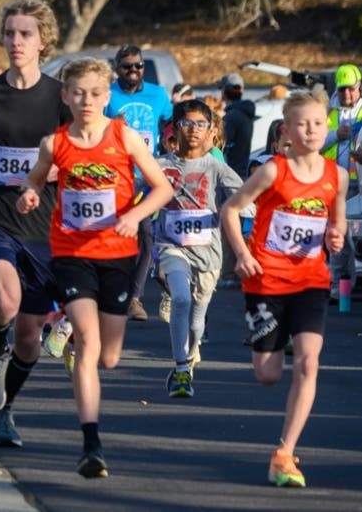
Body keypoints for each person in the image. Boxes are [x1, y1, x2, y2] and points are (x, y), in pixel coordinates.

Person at [17, 56, 172, 479]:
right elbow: (35, 179)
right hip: (71, 252)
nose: (87, 100)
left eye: (96, 93)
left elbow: (162, 187)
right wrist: (30, 194)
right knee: (89, 343)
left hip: (117, 254)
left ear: (108, 97)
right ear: (65, 96)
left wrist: (136, 216)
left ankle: (64, 335)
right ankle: (91, 445)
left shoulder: (124, 136)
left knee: (110, 358)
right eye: (79, 93)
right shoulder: (55, 142)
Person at [0, 0, 70, 448]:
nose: (15, 42)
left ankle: (4, 411)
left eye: (25, 34)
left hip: (43, 223)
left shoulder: (60, 95)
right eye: (9, 33)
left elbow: (75, 154)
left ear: (44, 42)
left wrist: (41, 178)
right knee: (5, 299)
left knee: (31, 338)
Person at [218, 88, 346, 489]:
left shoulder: (336, 176)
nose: (311, 131)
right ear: (287, 130)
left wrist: (336, 235)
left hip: (310, 280)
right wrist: (240, 254)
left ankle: (285, 452)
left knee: (309, 362)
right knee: (269, 375)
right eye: (302, 124)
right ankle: (264, 339)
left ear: (328, 126)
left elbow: (335, 222)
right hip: (267, 279)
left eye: (317, 123)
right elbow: (231, 208)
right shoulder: (274, 171)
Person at [154, 99, 242, 397]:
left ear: (211, 132)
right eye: (187, 123)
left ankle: (189, 357)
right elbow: (132, 193)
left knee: (197, 320)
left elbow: (246, 201)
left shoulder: (217, 167)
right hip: (171, 246)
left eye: (200, 125)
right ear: (175, 129)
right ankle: (180, 370)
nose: (193, 130)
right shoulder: (160, 166)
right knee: (179, 299)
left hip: (208, 253)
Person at [105, 44, 173, 322]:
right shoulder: (107, 94)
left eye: (139, 65)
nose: (134, 71)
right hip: (115, 175)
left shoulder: (157, 94)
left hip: (147, 176)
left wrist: (172, 144)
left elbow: (170, 123)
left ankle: (134, 297)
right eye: (127, 66)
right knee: (114, 235)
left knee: (145, 232)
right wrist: (111, 125)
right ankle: (110, 291)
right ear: (117, 68)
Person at [323, 64, 360, 295]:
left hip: (360, 185)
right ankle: (340, 288)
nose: (347, 94)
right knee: (338, 238)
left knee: (356, 240)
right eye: (342, 89)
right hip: (334, 185)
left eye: (351, 89)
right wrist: (336, 135)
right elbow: (313, 143)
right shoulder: (327, 112)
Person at [220, 73, 256, 179]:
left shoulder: (231, 117)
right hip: (242, 174)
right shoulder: (246, 113)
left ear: (224, 91)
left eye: (221, 88)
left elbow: (220, 147)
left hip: (230, 175)